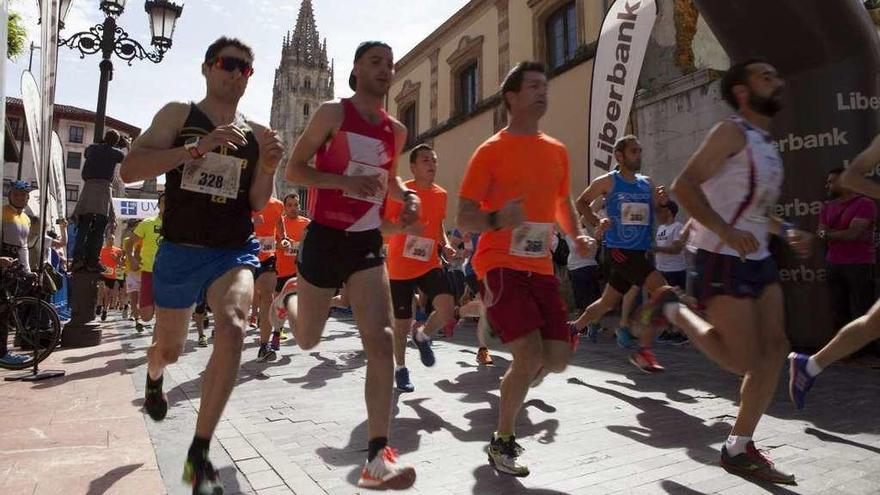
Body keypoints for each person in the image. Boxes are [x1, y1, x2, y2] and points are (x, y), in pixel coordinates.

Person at [119, 37, 283, 494]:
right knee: (168, 350)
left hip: (232, 250)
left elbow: (255, 202)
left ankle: (200, 452)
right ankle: (155, 377)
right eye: (229, 65)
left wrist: (267, 167)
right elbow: (130, 170)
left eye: (246, 69)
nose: (237, 74)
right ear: (208, 67)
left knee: (232, 327)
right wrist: (196, 148)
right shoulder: (179, 114)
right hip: (179, 249)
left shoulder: (256, 132)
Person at [277, 40, 419, 489]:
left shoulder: (395, 131)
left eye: (389, 63)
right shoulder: (331, 114)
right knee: (306, 339)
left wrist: (406, 196)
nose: (385, 68)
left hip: (366, 241)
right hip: (324, 235)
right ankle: (292, 298)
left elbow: (389, 179)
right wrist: (343, 182)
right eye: (375, 61)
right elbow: (296, 170)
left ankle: (378, 457)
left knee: (381, 340)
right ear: (356, 70)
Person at [671, 58, 812, 484]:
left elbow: (759, 211)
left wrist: (785, 230)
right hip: (720, 254)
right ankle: (673, 311)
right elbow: (684, 185)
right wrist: (725, 231)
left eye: (777, 73)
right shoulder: (729, 132)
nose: (778, 80)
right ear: (743, 92)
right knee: (741, 359)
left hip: (758, 256)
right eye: (766, 76)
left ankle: (738, 445)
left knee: (774, 351)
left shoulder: (766, 144)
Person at [457, 61, 595, 477]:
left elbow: (562, 203)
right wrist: (500, 218)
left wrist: (578, 235)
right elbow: (465, 216)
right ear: (512, 98)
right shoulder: (491, 151)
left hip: (539, 267)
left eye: (544, 85)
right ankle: (502, 441)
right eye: (532, 85)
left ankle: (492, 326)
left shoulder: (556, 150)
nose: (542, 91)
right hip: (499, 263)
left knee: (555, 358)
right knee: (528, 354)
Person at [788, 136, 880, 409]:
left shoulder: (862, 206)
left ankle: (811, 365)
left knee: (871, 320)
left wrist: (832, 234)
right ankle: (811, 365)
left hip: (858, 260)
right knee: (871, 322)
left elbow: (844, 233)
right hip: (838, 261)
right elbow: (852, 176)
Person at [569, 135, 674, 372]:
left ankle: (573, 328)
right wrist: (598, 221)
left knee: (607, 302)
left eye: (639, 150)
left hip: (641, 251)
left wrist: (662, 202)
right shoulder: (608, 181)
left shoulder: (646, 183)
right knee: (663, 291)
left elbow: (658, 215)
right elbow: (581, 202)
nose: (638, 155)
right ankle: (643, 351)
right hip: (619, 250)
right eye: (634, 151)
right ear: (620, 155)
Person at [383, 143, 456, 392]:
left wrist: (444, 244)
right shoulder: (401, 193)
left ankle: (423, 334)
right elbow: (384, 226)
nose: (432, 165)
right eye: (426, 160)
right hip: (400, 265)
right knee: (402, 323)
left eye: (434, 160)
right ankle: (401, 369)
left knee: (447, 308)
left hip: (429, 262)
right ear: (412, 166)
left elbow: (438, 226)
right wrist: (405, 227)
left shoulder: (441, 194)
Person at [817, 168, 876, 333]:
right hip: (833, 263)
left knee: (862, 309)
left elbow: (853, 234)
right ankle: (844, 352)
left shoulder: (865, 204)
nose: (827, 185)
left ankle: (865, 351)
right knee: (838, 309)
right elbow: (820, 233)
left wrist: (828, 233)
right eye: (827, 182)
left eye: (832, 181)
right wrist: (833, 234)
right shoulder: (827, 207)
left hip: (859, 263)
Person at [71, 130, 126, 272]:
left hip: (88, 188)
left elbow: (87, 153)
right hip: (102, 189)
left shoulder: (92, 148)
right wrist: (127, 145)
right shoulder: (116, 153)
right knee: (100, 226)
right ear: (115, 141)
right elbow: (127, 158)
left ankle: (77, 259)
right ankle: (92, 260)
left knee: (83, 225)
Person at [268, 193, 310, 347]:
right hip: (281, 270)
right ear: (284, 207)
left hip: (300, 270)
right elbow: (271, 243)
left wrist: (300, 246)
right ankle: (277, 332)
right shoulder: (280, 223)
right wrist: (284, 245)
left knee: (297, 302)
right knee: (279, 304)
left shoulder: (307, 224)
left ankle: (293, 329)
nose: (293, 208)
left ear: (300, 206)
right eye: (290, 205)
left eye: (296, 205)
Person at [0, 181, 35, 365]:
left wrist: (28, 270)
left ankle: (2, 352)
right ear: (10, 195)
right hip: (1, 261)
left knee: (5, 311)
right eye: (16, 195)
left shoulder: (25, 218)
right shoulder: (2, 212)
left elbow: (23, 247)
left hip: (12, 267)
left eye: (23, 195)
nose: (20, 198)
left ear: (28, 198)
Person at [252, 196, 285, 362]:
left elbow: (279, 222)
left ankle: (264, 346)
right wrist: (250, 222)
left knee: (268, 298)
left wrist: (283, 237)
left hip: (267, 258)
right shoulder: (246, 199)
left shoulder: (278, 205)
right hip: (243, 256)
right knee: (240, 300)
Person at [131, 195, 164, 332]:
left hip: (168, 273)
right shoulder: (147, 223)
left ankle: (158, 343)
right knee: (146, 316)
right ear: (158, 205)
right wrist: (132, 257)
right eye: (163, 202)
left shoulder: (178, 225)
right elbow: (129, 243)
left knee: (162, 314)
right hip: (148, 271)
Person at [98, 233, 124, 321]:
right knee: (101, 288)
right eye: (109, 239)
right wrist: (100, 265)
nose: (111, 240)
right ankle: (99, 305)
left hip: (112, 275)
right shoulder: (101, 250)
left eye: (112, 239)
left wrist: (116, 258)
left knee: (108, 294)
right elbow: (98, 261)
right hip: (103, 273)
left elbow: (121, 264)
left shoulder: (118, 251)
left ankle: (105, 310)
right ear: (106, 240)